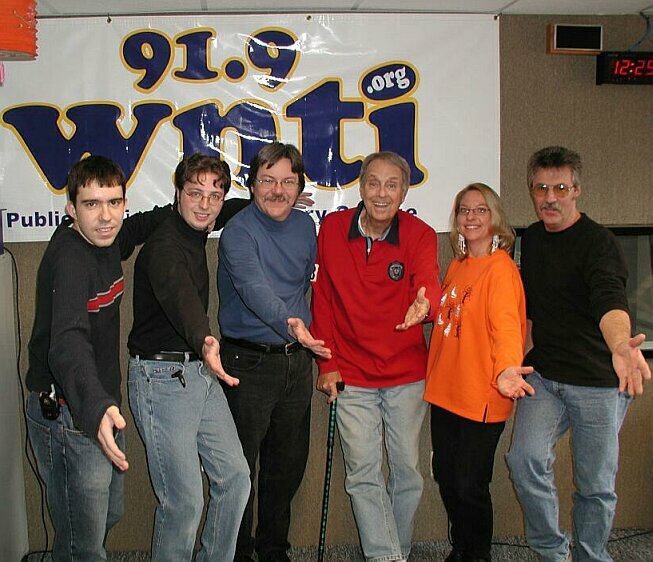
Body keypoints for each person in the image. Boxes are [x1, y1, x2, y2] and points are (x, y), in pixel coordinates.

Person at [506, 146, 651, 562]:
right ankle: (553, 552)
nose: (550, 197)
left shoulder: (598, 242)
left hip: (597, 383)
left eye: (560, 188)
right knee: (524, 460)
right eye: (541, 188)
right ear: (532, 191)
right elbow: (529, 311)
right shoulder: (532, 240)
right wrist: (514, 361)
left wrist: (620, 344)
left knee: (595, 485)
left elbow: (610, 301)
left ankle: (591, 555)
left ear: (577, 190)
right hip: (546, 377)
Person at [25, 155, 170, 561]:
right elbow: (67, 342)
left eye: (114, 203)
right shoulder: (70, 260)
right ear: (71, 210)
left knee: (108, 513)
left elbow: (142, 225)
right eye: (91, 204)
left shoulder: (108, 238)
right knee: (82, 545)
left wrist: (227, 205)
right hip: (70, 412)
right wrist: (95, 405)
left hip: (101, 404)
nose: (106, 216)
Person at [311, 151, 441, 562]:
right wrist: (327, 364)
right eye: (373, 183)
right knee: (363, 474)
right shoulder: (332, 229)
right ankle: (387, 558)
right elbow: (322, 300)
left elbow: (429, 282)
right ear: (361, 187)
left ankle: (394, 552)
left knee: (407, 473)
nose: (382, 193)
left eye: (392, 185)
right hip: (352, 375)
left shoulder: (420, 234)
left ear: (404, 192)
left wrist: (426, 305)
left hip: (406, 374)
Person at [127, 154, 250, 562]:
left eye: (214, 196)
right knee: (183, 503)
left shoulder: (197, 223)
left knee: (235, 479)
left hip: (197, 373)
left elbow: (228, 209)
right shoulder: (164, 246)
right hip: (161, 377)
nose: (205, 204)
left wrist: (268, 197)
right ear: (177, 193)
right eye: (195, 193)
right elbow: (180, 296)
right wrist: (205, 340)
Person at [217, 142, 330, 562]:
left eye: (287, 181)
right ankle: (239, 553)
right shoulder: (238, 233)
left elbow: (313, 283)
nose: (278, 190)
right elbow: (253, 290)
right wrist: (292, 323)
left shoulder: (305, 226)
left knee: (286, 468)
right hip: (247, 363)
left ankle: (273, 550)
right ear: (252, 185)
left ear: (299, 187)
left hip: (296, 364)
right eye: (268, 180)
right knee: (240, 469)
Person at [424, 183, 534, 562]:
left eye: (480, 210)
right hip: (446, 391)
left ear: (495, 219)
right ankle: (462, 548)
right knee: (447, 476)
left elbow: (507, 328)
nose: (471, 217)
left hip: (482, 394)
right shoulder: (458, 266)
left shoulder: (500, 269)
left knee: (470, 484)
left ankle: (477, 553)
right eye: (464, 210)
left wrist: (507, 368)